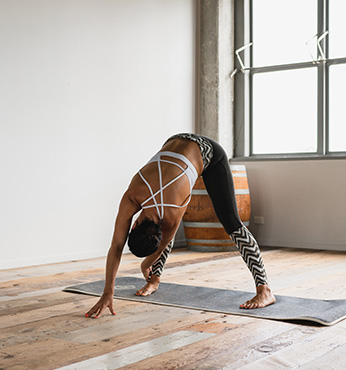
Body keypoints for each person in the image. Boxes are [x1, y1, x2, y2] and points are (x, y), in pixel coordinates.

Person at [86, 133, 275, 319]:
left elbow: (140, 245)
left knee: (232, 223)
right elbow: (119, 246)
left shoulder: (172, 209)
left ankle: (265, 290)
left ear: (134, 224)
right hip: (176, 141)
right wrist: (107, 292)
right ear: (134, 225)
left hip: (209, 153)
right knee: (169, 228)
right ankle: (155, 280)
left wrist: (145, 264)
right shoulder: (133, 196)